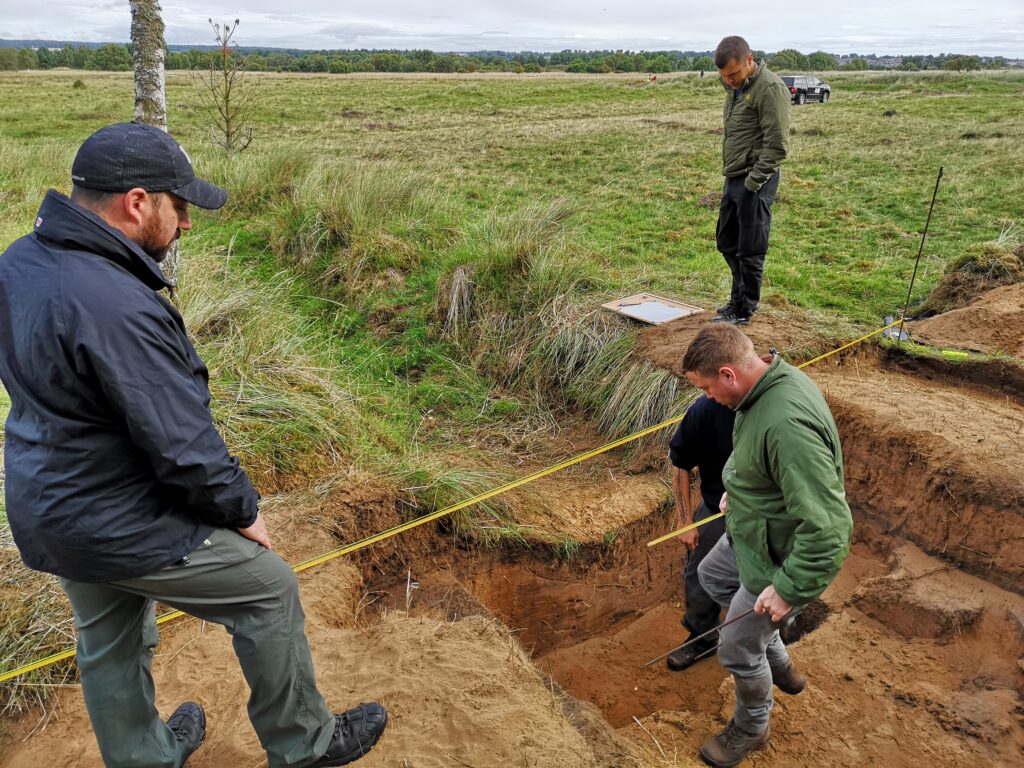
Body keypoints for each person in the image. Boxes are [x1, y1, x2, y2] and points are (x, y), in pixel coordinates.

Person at [0, 123, 388, 768]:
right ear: (136, 201)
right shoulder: (116, 302)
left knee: (108, 637)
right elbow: (180, 443)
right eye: (179, 207)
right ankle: (306, 745)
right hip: (117, 514)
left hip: (49, 503)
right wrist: (241, 512)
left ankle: (144, 756)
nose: (185, 224)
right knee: (267, 587)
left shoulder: (19, 261)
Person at [681, 324, 852, 768]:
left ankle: (752, 728)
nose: (708, 399)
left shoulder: (787, 424)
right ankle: (778, 660)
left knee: (735, 646)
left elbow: (830, 527)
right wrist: (739, 489)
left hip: (780, 559)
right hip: (753, 532)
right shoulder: (763, 388)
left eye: (707, 389)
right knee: (712, 575)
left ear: (728, 374)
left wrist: (789, 588)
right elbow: (755, 454)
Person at [711, 36, 790, 326]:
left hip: (755, 180)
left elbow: (778, 145)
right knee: (726, 241)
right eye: (723, 76)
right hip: (733, 175)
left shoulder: (769, 88)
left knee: (750, 248)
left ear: (749, 60)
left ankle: (744, 311)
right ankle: (736, 300)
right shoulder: (735, 88)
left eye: (733, 74)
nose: (729, 80)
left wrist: (753, 182)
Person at [665, 394, 734, 671]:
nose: (706, 393)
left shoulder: (772, 407)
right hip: (715, 510)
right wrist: (685, 522)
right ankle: (704, 637)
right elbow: (681, 463)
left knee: (770, 575)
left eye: (709, 384)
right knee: (699, 575)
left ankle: (779, 631)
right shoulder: (705, 409)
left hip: (767, 514)